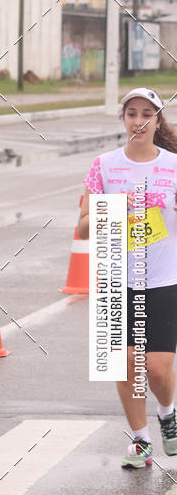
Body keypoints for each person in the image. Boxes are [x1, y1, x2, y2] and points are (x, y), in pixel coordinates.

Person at [78, 87, 177, 468]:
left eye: (146, 114)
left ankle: (167, 412)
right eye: (132, 113)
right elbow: (83, 227)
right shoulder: (104, 166)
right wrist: (113, 207)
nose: (138, 121)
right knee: (126, 363)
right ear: (123, 119)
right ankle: (140, 440)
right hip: (116, 278)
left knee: (157, 367)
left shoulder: (173, 165)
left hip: (164, 277)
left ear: (157, 121)